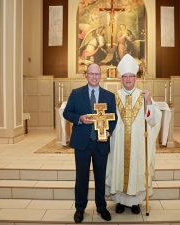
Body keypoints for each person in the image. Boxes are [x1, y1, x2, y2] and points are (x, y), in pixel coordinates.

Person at [105, 54, 161, 214]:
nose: (128, 79)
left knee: (136, 170)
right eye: (125, 76)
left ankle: (135, 202)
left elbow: (154, 120)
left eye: (131, 76)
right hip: (118, 143)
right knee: (119, 169)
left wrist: (149, 103)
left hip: (137, 144)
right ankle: (120, 201)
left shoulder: (144, 96)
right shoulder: (113, 97)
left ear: (135, 78)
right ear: (120, 78)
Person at [63, 63, 117, 223]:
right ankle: (80, 209)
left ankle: (101, 207)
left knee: (100, 177)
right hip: (82, 143)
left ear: (101, 76)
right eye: (91, 73)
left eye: (97, 74)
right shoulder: (76, 93)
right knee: (81, 177)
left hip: (101, 143)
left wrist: (108, 131)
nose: (94, 76)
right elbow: (67, 112)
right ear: (86, 75)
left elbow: (114, 118)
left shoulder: (109, 96)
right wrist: (79, 119)